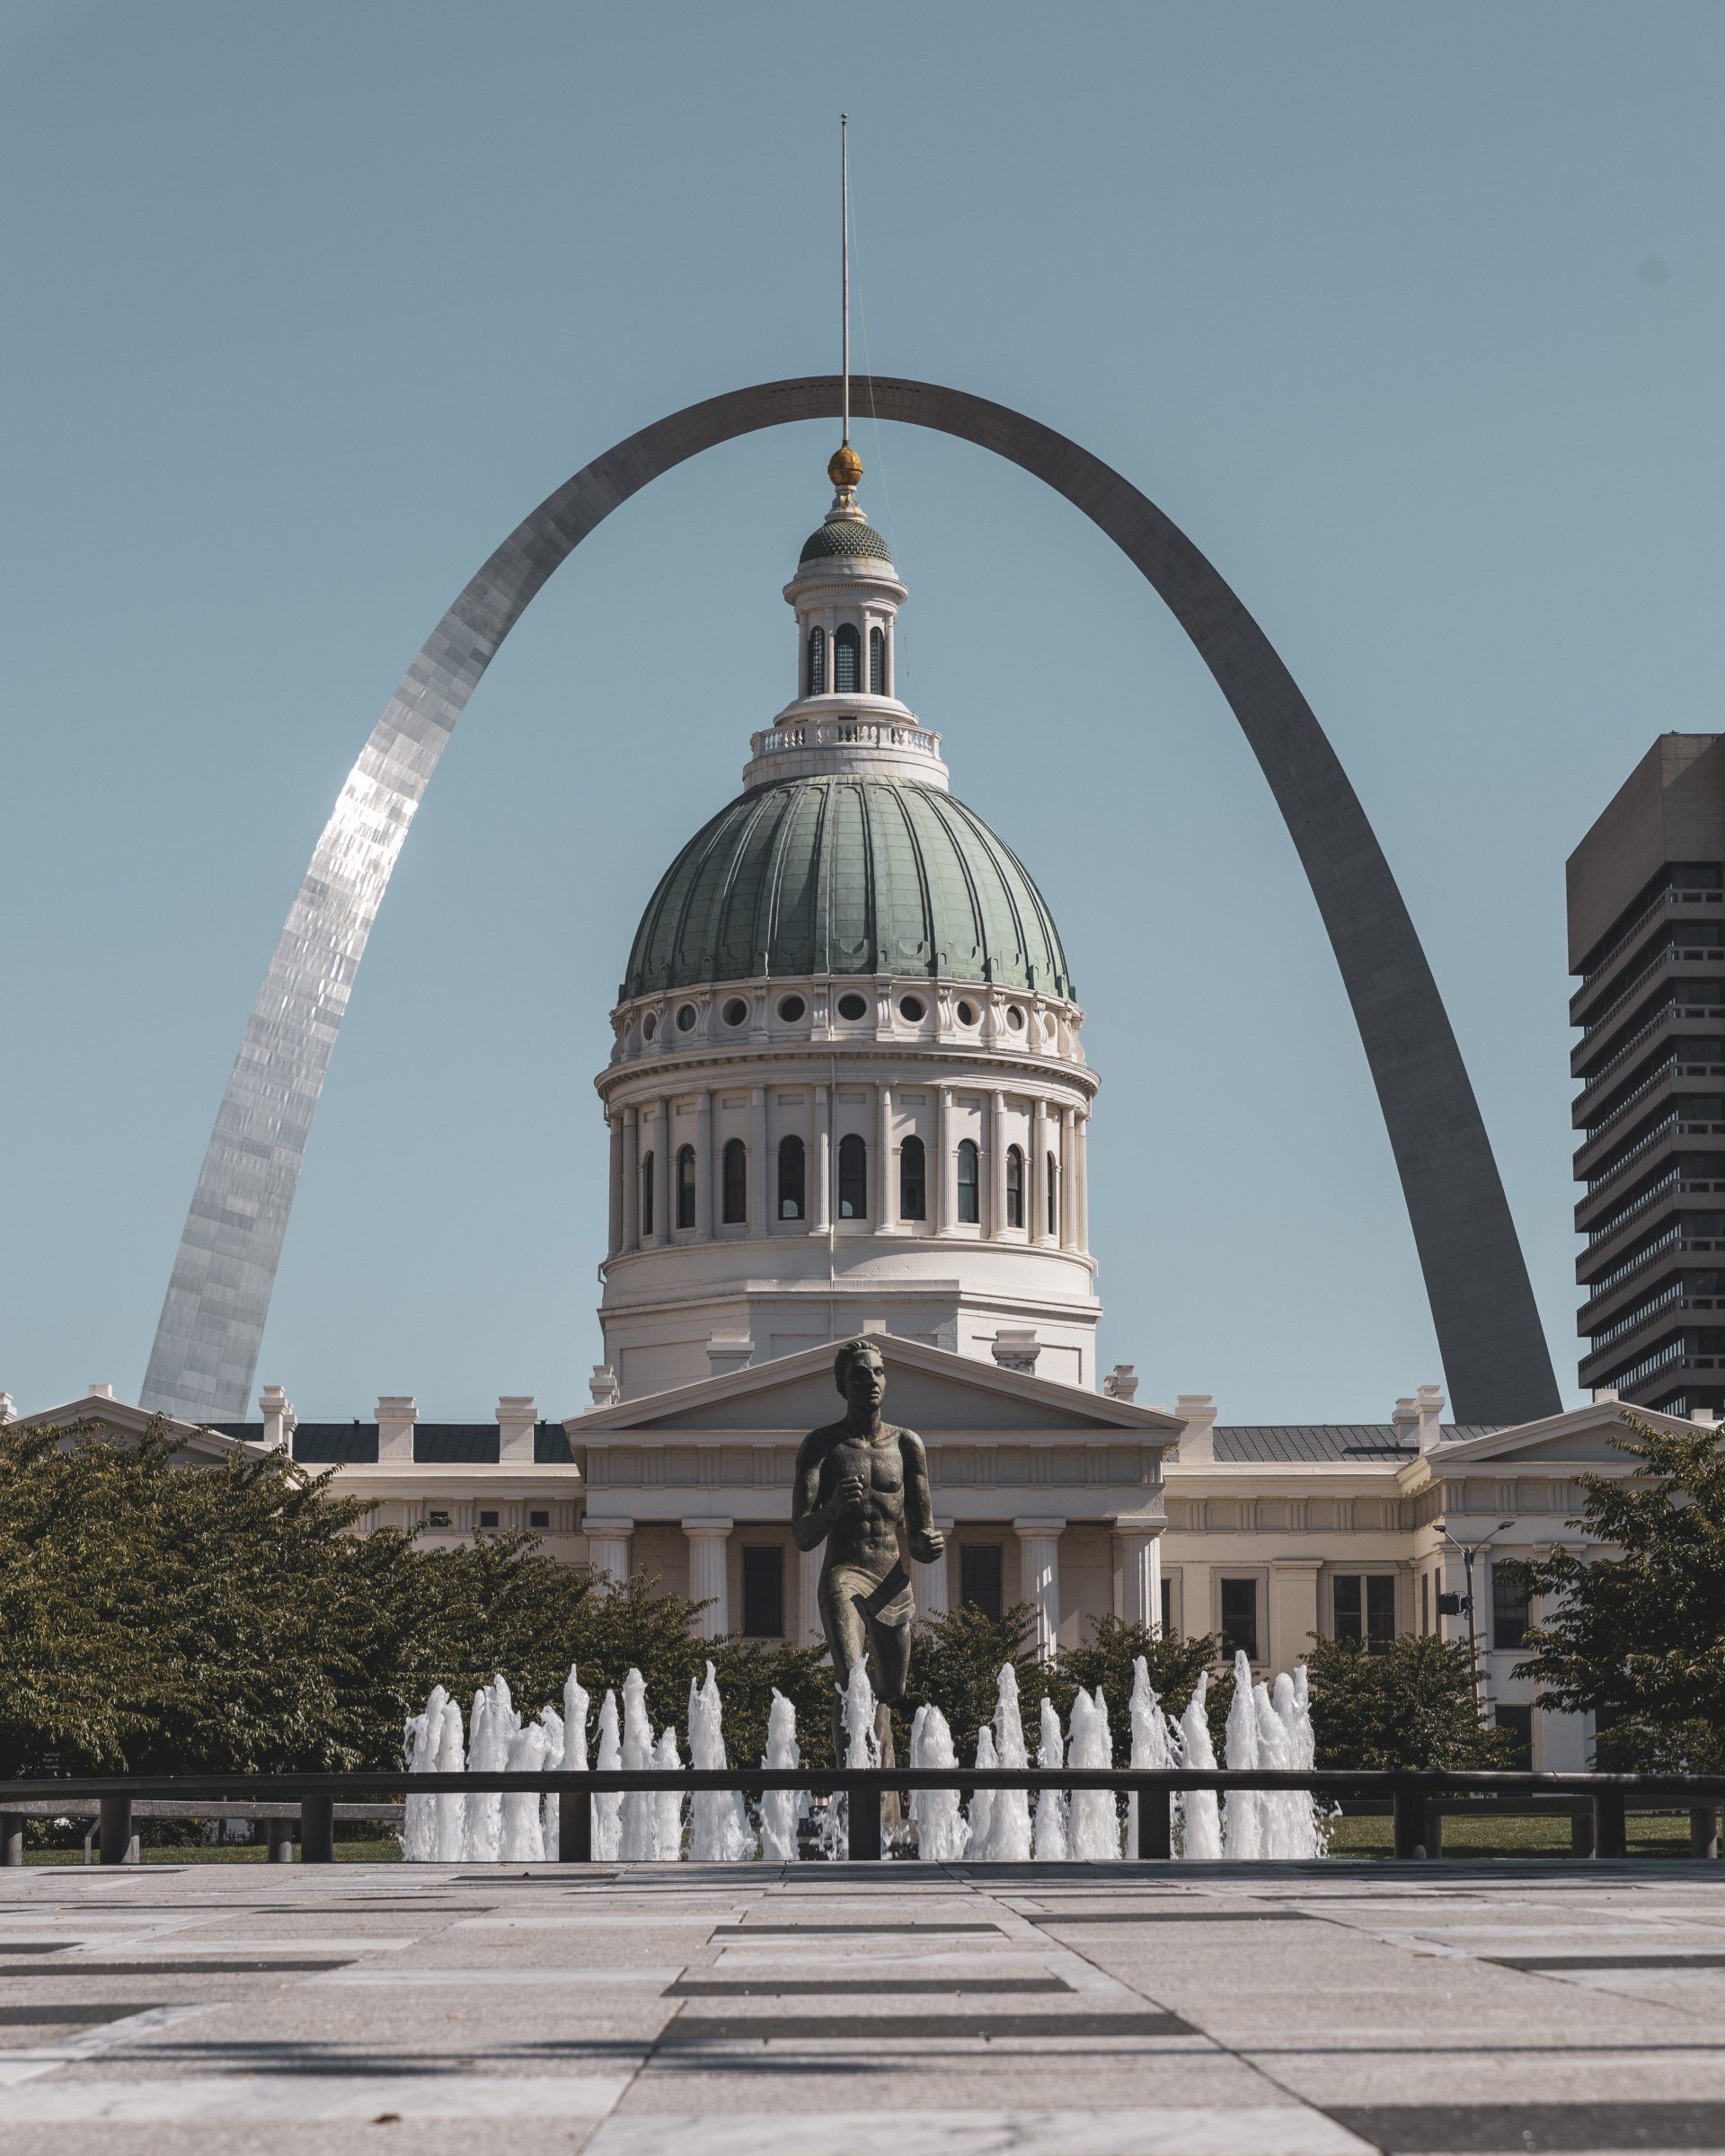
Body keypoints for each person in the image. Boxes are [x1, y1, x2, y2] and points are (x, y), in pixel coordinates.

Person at [792, 1338, 945, 1766]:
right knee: (851, 1679)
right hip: (845, 1572)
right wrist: (835, 1508)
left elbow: (918, 1530)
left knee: (890, 1691)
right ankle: (856, 1787)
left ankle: (883, 1787)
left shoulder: (907, 1445)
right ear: (842, 1385)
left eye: (878, 1372)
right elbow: (802, 1534)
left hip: (892, 1579)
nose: (871, 1381)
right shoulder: (821, 1447)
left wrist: (927, 1545)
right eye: (860, 1373)